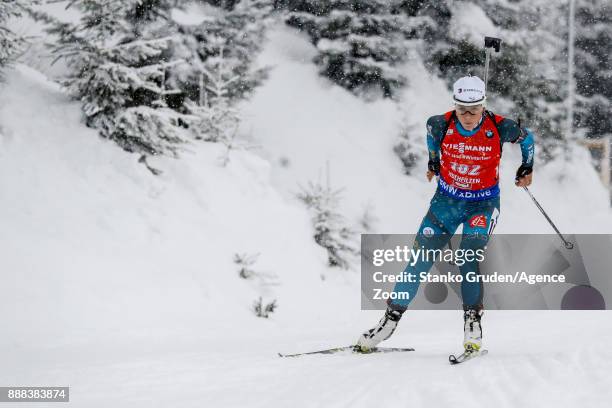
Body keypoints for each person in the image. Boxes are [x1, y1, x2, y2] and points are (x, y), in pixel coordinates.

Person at [355, 75, 535, 353]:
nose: (467, 116)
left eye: (474, 110)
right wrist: (433, 161)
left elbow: (528, 139)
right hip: (445, 204)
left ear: (483, 105)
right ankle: (388, 322)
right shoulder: (439, 123)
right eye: (462, 109)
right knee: (418, 262)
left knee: (467, 257)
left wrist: (527, 168)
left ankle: (472, 322)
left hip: (483, 205)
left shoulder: (500, 127)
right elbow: (431, 139)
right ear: (454, 105)